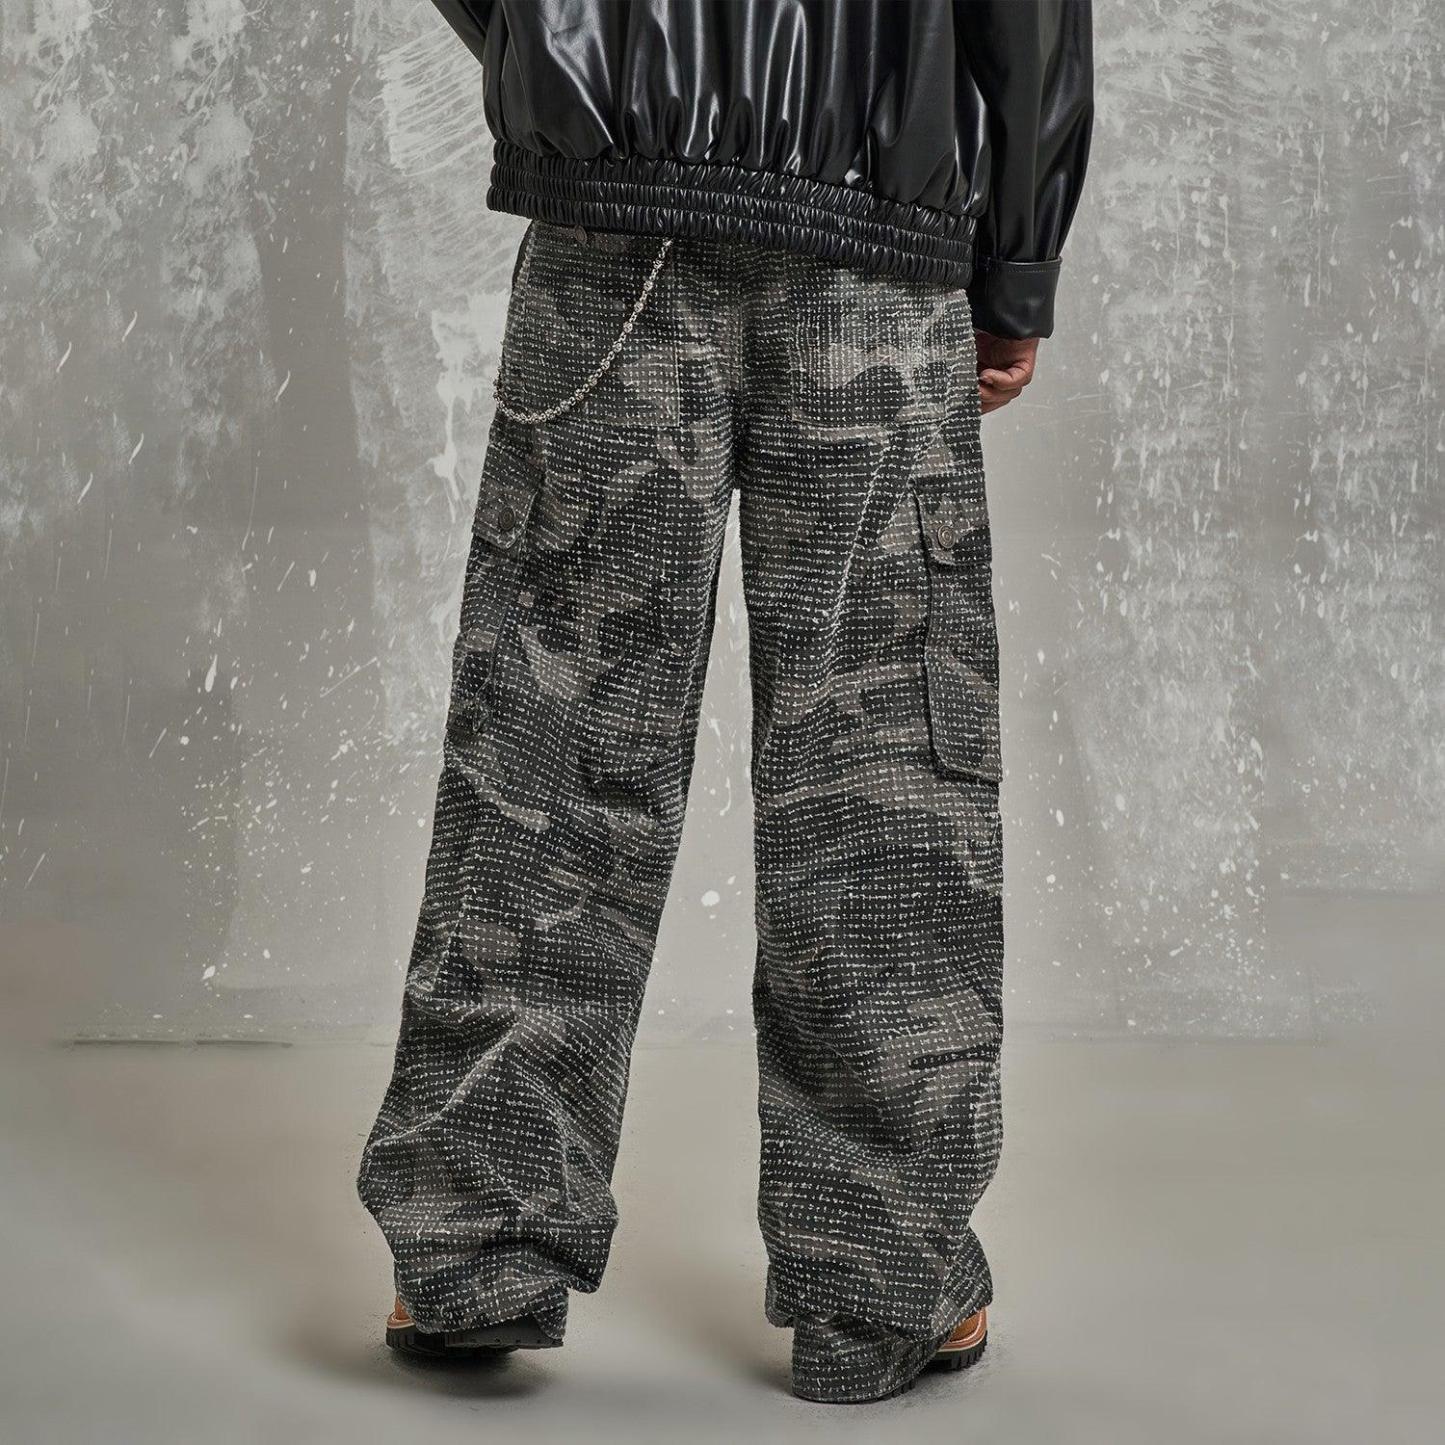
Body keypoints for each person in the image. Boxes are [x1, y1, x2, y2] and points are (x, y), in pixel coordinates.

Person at [358, 0, 1093, 1405]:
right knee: (880, 772)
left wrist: (558, 57)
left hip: (610, 219)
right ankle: (881, 1277)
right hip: (876, 238)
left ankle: (470, 1251)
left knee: (548, 744)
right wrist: (1018, 255)